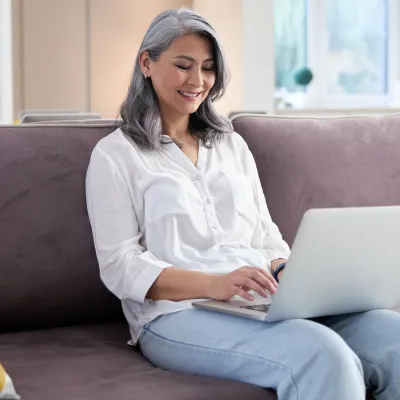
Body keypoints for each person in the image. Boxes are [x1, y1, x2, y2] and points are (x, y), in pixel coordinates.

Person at [85, 8, 400, 400]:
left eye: (208, 68)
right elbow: (119, 266)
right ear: (146, 63)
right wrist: (215, 284)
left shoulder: (231, 144)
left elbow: (265, 236)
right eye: (183, 65)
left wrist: (285, 269)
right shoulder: (115, 155)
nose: (197, 81)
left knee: (394, 337)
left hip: (259, 302)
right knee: (321, 354)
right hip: (176, 316)